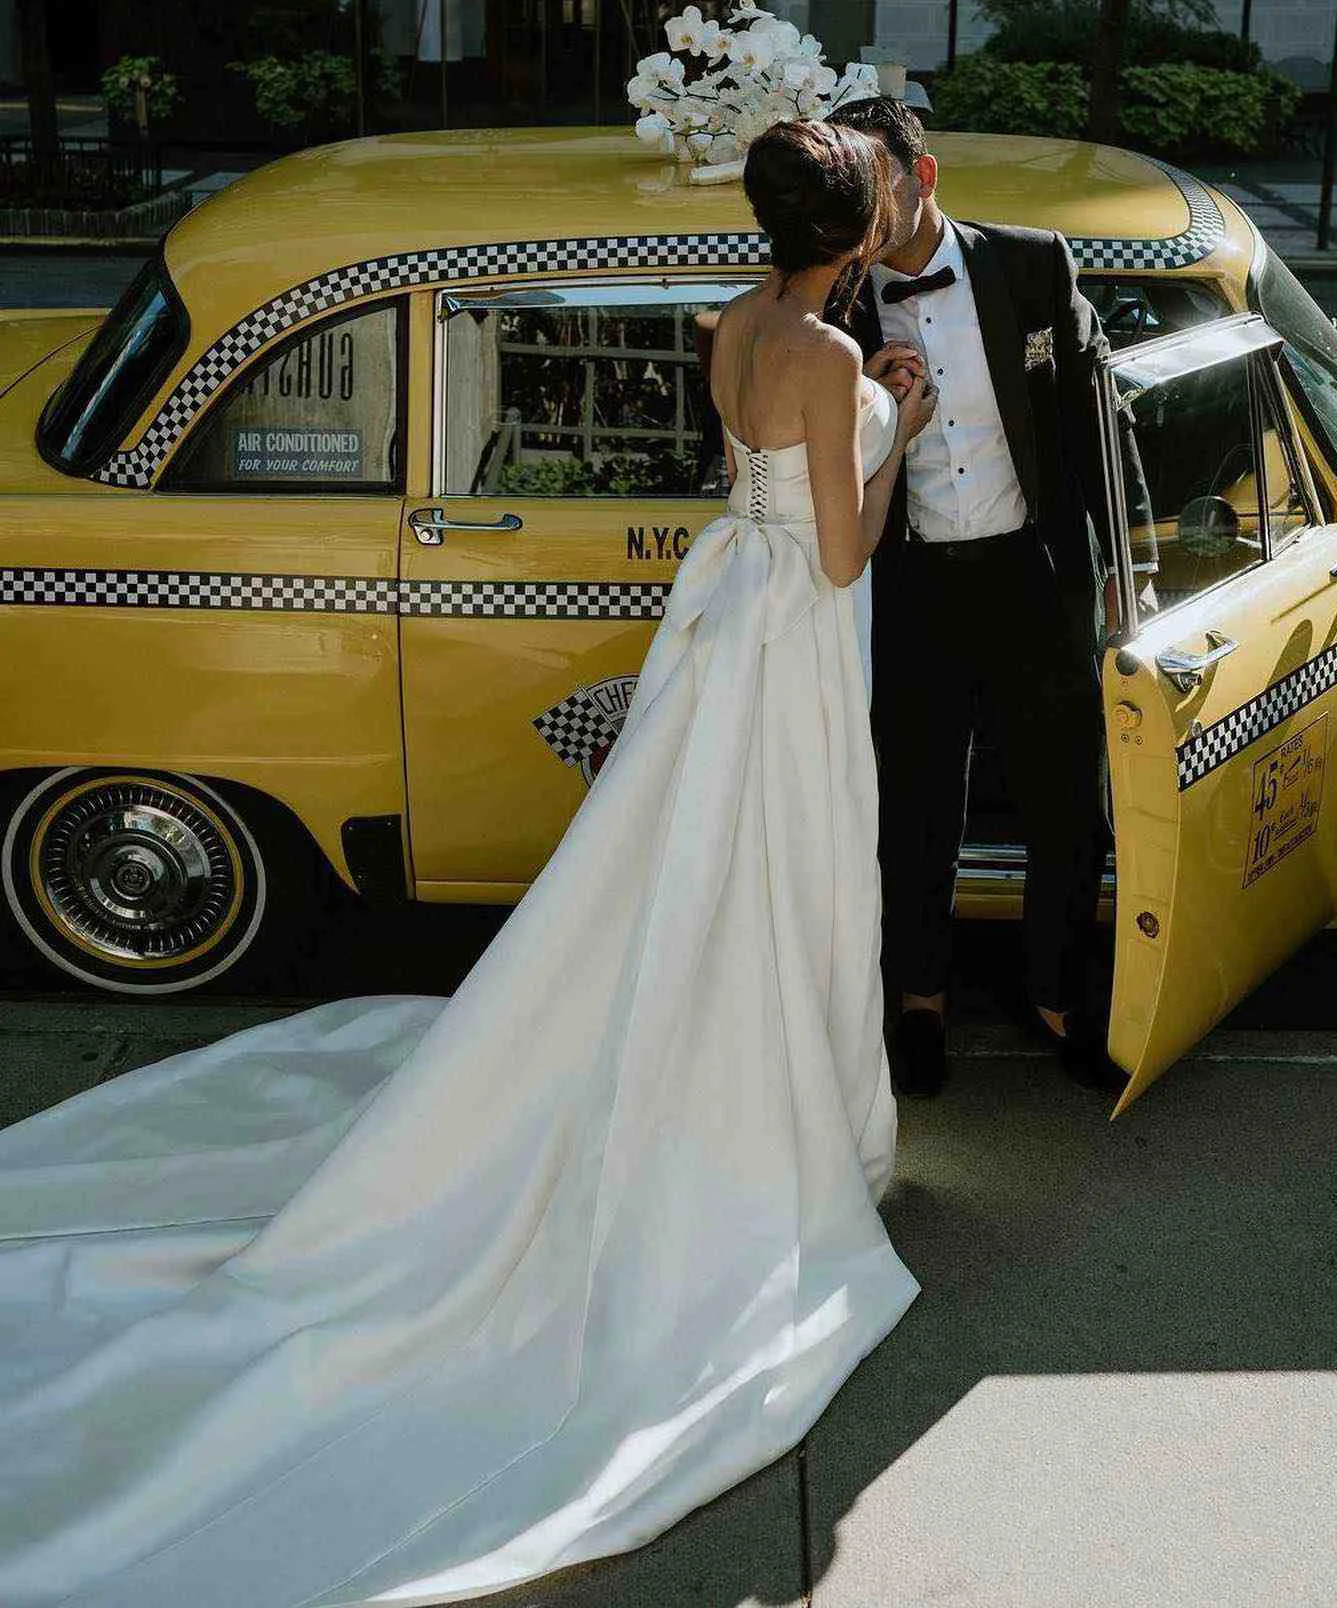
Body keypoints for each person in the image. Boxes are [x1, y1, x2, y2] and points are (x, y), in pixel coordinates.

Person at [0, 119, 931, 1608]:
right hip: (793, 638)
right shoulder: (831, 361)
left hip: (719, 618)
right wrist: (911, 430)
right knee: (783, 872)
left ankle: (710, 1063)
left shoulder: (733, 325)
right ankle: (776, 1111)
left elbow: (748, 489)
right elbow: (835, 555)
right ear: (862, 230)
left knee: (690, 870)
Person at [826, 95, 1153, 1098]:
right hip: (912, 584)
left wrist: (1128, 561)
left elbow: (1104, 417)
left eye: (869, 189)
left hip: (1032, 573)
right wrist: (875, 411)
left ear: (921, 180)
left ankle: (1056, 996)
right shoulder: (834, 310)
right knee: (917, 805)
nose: (857, 218)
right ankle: (918, 1007)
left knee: (1065, 802)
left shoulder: (1034, 266)